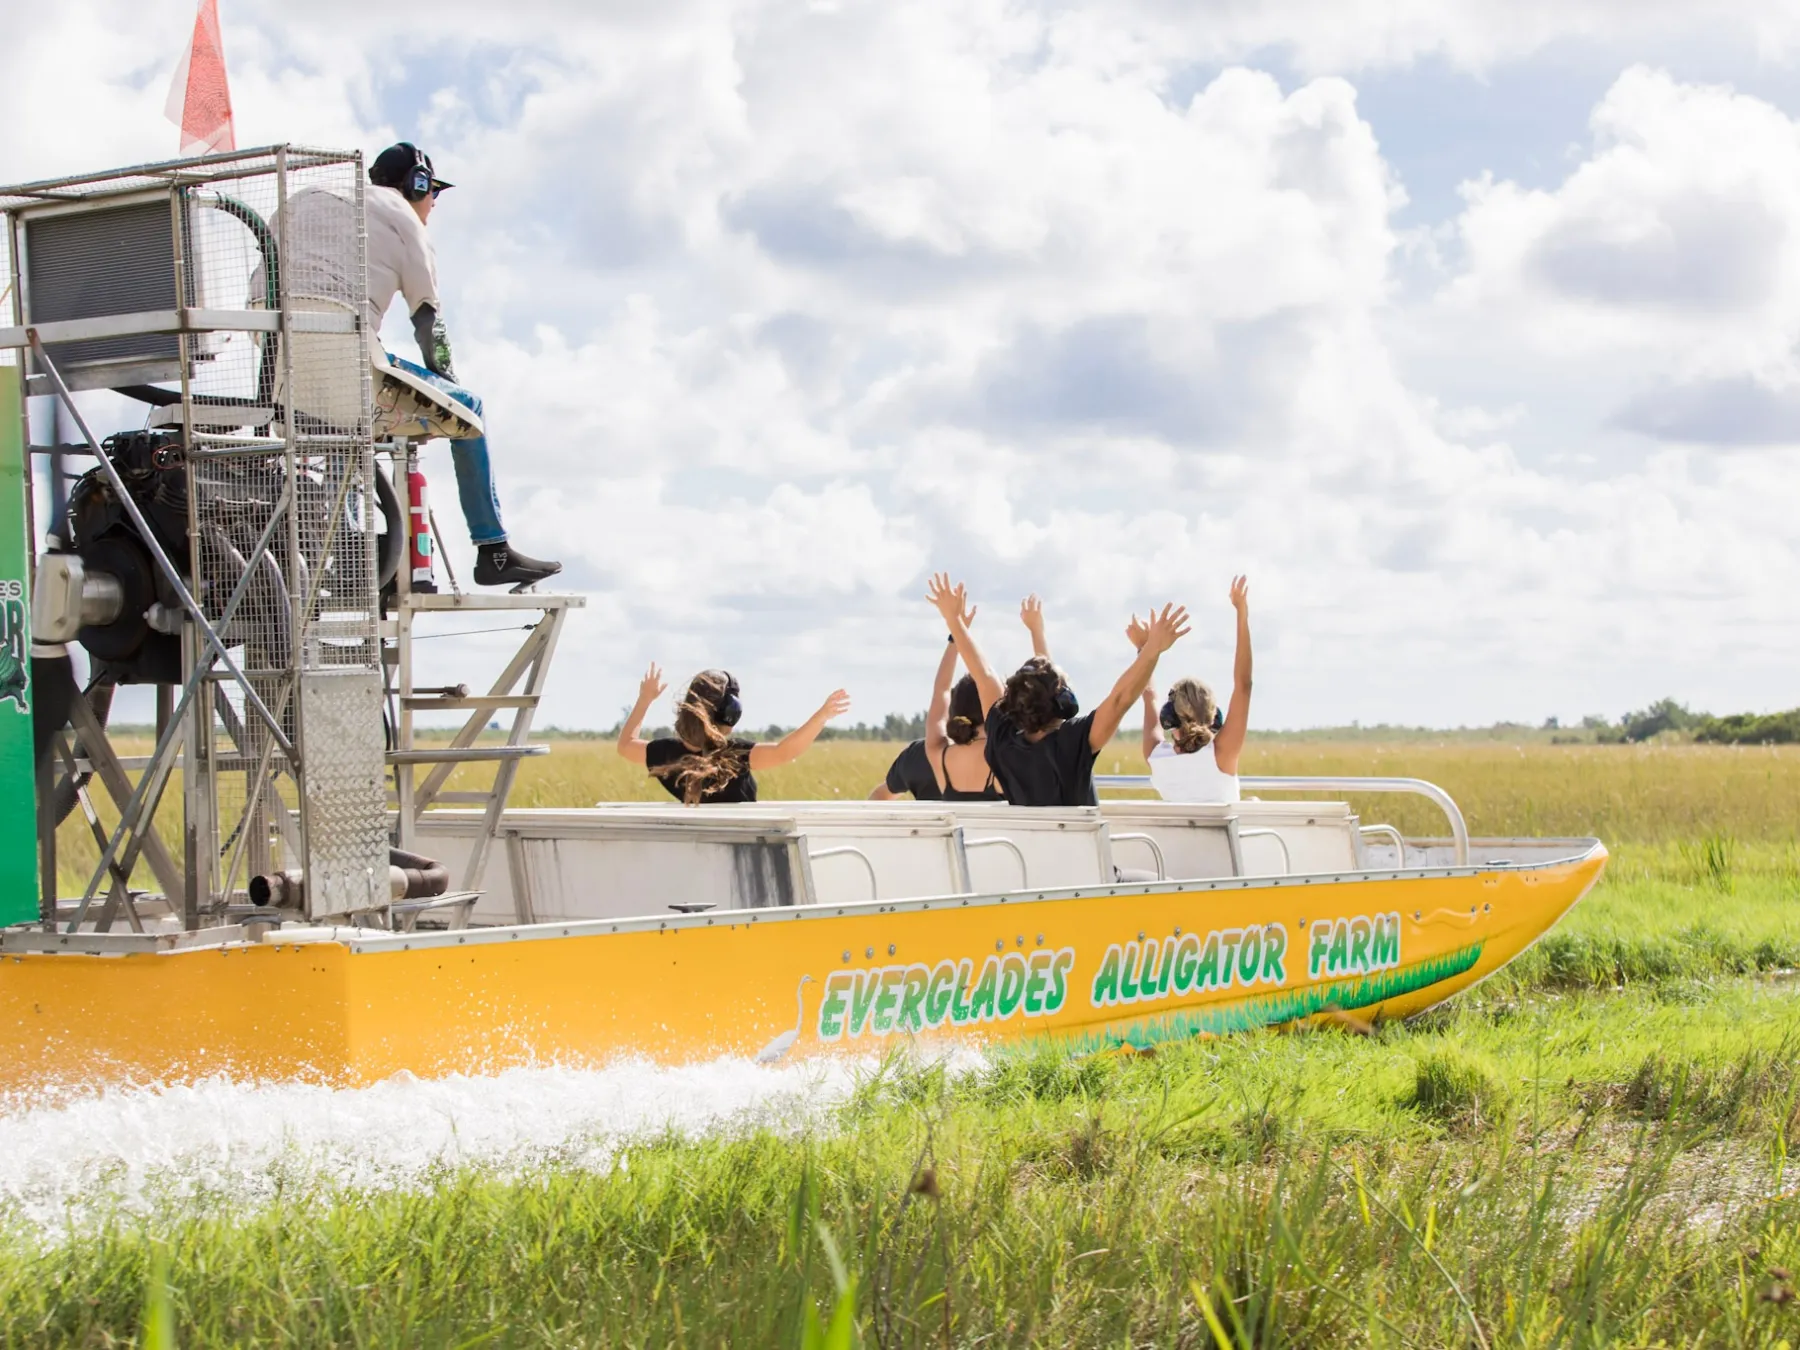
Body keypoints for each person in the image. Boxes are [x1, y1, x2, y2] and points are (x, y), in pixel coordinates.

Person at [365, 142, 561, 589]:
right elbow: (428, 326)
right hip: (349, 358)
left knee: (341, 433)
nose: (434, 202)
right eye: (433, 191)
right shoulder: (404, 221)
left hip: (282, 370)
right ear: (416, 185)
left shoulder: (318, 207)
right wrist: (446, 397)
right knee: (469, 409)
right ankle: (493, 550)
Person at [927, 573, 1190, 807]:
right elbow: (1121, 698)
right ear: (1063, 701)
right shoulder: (1073, 742)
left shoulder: (1002, 741)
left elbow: (984, 676)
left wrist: (954, 621)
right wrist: (1152, 648)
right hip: (1084, 850)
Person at [617, 664, 851, 804]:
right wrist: (821, 716)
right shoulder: (733, 756)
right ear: (730, 714)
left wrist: (645, 699)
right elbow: (785, 752)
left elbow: (626, 745)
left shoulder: (665, 754)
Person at [1138, 575, 1253, 803]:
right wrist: (1242, 613)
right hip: (1221, 829)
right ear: (1214, 717)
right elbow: (1244, 685)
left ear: (1169, 718)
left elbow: (1149, 695)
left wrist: (1145, 648)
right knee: (1253, 803)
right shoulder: (1222, 754)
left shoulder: (1157, 758)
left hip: (1178, 830)